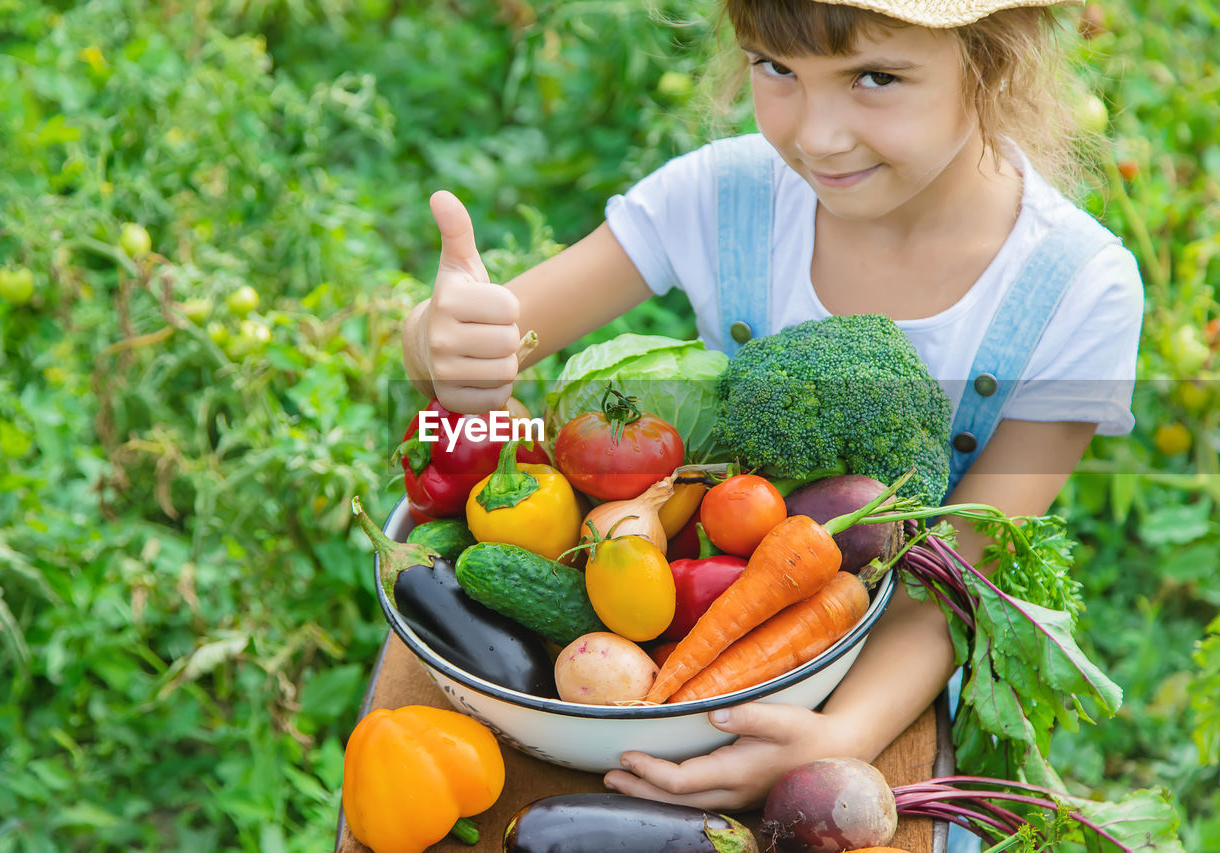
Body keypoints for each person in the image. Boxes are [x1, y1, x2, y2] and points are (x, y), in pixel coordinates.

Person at [400, 0, 1142, 831]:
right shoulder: (724, 196)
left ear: (990, 62)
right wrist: (440, 337)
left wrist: (839, 735)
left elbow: (962, 577)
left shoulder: (1075, 290)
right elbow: (487, 330)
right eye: (775, 68)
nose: (818, 135)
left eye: (875, 77)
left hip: (891, 691)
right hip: (672, 672)